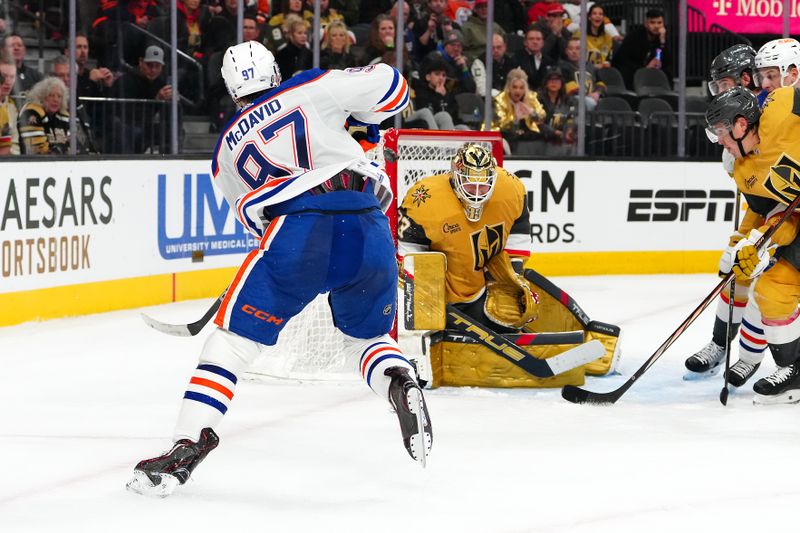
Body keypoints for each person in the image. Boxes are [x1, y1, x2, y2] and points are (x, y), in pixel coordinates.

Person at [126, 41, 432, 497]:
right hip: (368, 226)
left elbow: (256, 223)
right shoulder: (311, 87)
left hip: (297, 232)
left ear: (231, 90)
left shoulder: (226, 150)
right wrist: (362, 115)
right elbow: (393, 88)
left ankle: (186, 444)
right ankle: (397, 381)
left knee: (233, 342)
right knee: (368, 339)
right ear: (275, 71)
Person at [683, 44, 778, 387]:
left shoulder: (774, 108)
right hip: (761, 205)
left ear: (745, 77)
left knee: (770, 285)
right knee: (739, 269)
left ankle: (755, 358)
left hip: (786, 208)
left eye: (723, 84)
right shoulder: (742, 109)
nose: (721, 92)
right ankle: (720, 344)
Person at [703, 87, 800, 404]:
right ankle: (794, 370)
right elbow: (771, 215)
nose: (720, 140)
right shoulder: (745, 169)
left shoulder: (783, 106)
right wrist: (750, 244)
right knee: (772, 288)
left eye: (721, 131)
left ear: (741, 124)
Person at [398, 143, 534, 331]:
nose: (477, 195)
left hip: (485, 288)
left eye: (483, 187)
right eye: (470, 187)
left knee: (511, 322)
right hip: (443, 296)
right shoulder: (425, 200)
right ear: (455, 178)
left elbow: (519, 227)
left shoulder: (510, 189)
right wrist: (426, 299)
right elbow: (409, 250)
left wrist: (513, 274)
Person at [612, 8, 672, 90]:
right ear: (646, 24)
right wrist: (645, 68)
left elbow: (667, 61)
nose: (656, 26)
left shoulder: (662, 37)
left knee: (667, 72)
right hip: (632, 70)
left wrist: (662, 41)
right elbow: (623, 60)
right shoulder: (634, 36)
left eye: (659, 23)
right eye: (652, 22)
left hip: (651, 71)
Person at [492, 67, 547, 155]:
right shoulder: (500, 100)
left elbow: (542, 116)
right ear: (509, 87)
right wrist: (516, 120)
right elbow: (501, 126)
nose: (518, 91)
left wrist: (532, 113)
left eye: (521, 88)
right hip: (505, 136)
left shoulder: (530, 97)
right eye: (515, 87)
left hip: (526, 137)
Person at [17, 77, 70, 154]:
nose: (56, 99)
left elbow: (74, 146)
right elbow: (38, 150)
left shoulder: (63, 116)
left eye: (59, 96)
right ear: (41, 96)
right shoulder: (31, 112)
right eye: (51, 95)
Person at [509, 27, 555, 91]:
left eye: (538, 39)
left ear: (542, 43)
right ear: (525, 42)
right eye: (531, 39)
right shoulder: (516, 58)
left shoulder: (549, 61)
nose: (535, 42)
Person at [471, 33, 513, 98]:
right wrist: (504, 96)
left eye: (499, 47)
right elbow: (482, 90)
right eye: (492, 48)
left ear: (505, 47)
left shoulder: (509, 61)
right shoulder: (479, 63)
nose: (495, 50)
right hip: (487, 101)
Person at [0, 54, 20, 154]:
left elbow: (14, 146)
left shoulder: (11, 107)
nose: (8, 82)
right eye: (3, 76)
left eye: (12, 77)